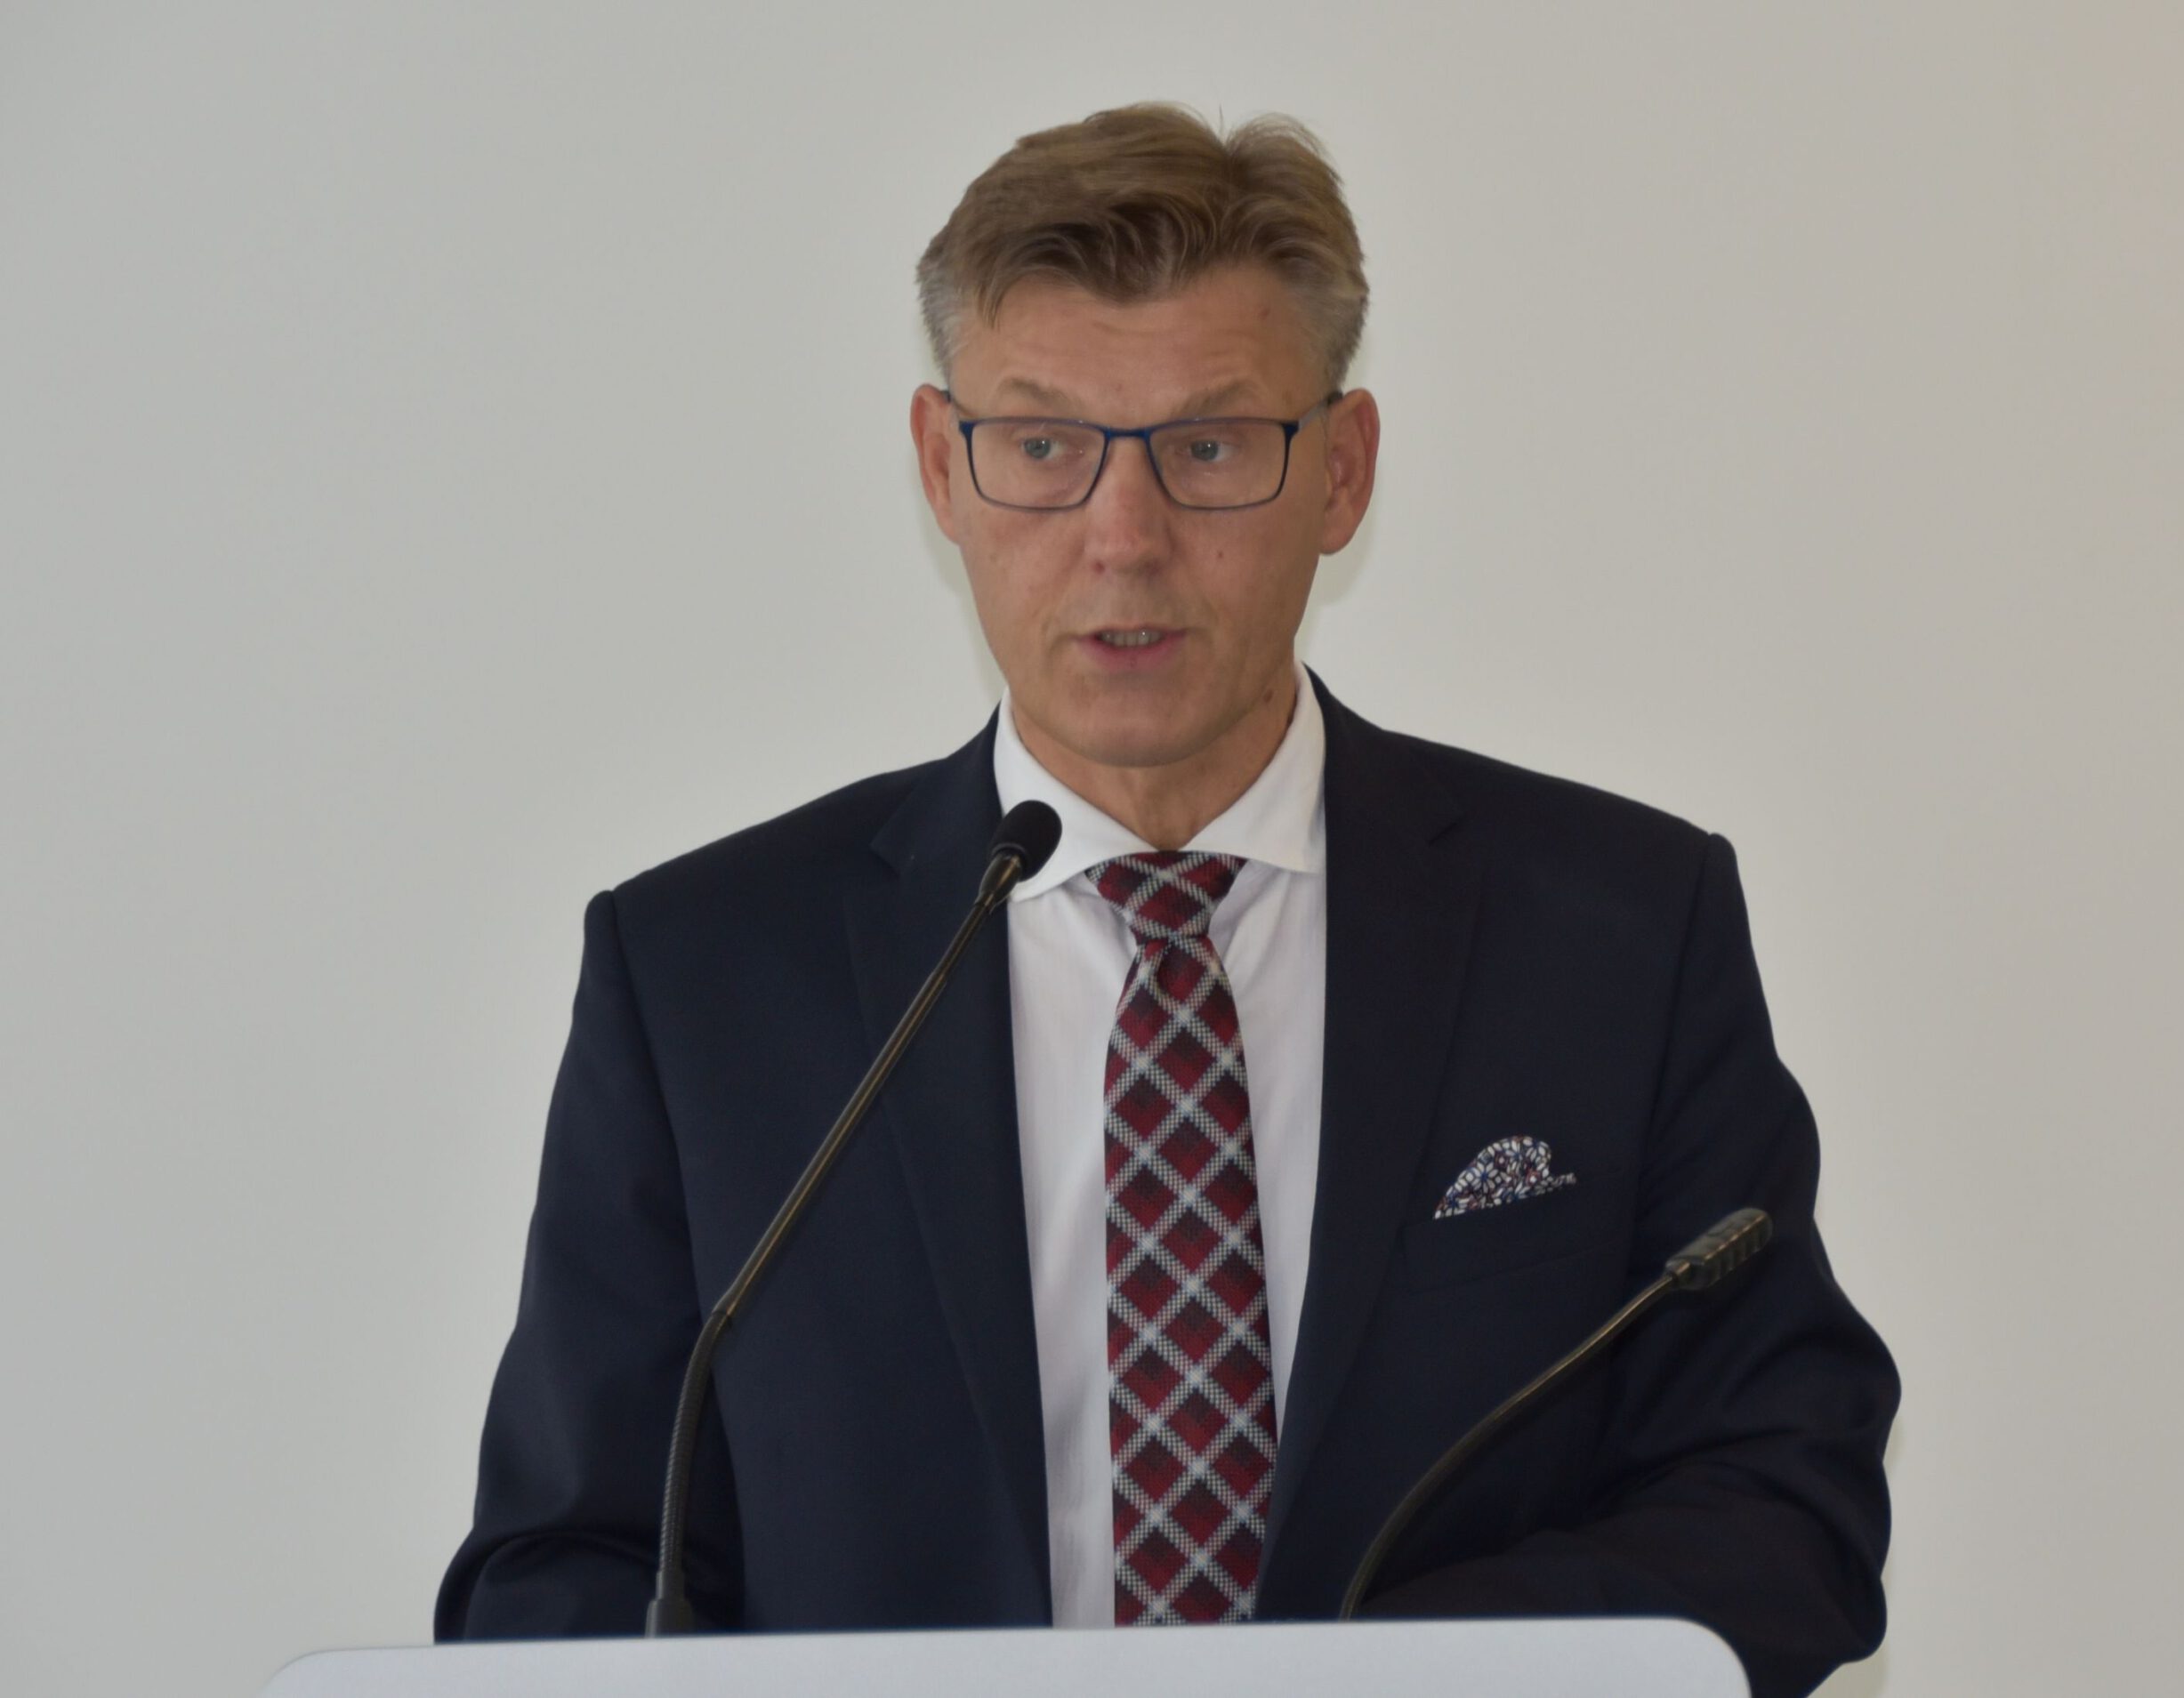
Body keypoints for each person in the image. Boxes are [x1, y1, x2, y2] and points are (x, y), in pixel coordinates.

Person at [436, 103, 1898, 1697]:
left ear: (1341, 471)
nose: (1123, 541)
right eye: (1042, 447)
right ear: (940, 466)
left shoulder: (1619, 931)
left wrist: (1369, 1684)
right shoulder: (705, 977)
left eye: (1208, 449)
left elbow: (1785, 1499)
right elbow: (562, 1572)